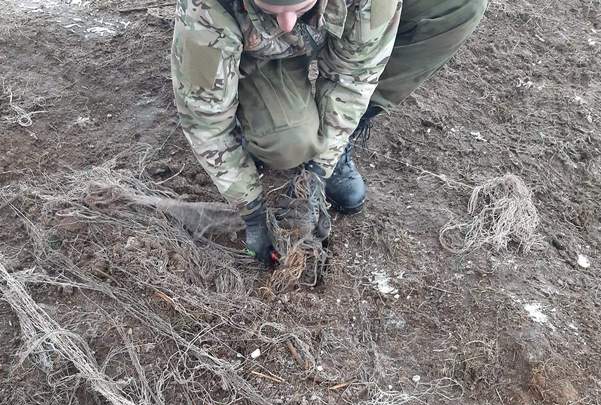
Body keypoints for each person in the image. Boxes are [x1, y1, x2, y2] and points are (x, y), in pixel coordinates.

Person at [171, 0, 488, 265]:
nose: (286, 23)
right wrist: (252, 209)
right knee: (288, 143)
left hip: (342, 17)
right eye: (271, 7)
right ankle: (253, 95)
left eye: (298, 5)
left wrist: (318, 173)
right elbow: (206, 122)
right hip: (258, 50)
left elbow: (352, 80)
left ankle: (342, 138)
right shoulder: (207, 12)